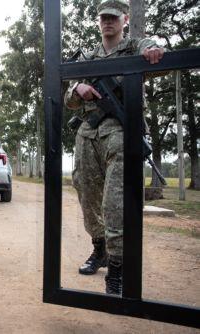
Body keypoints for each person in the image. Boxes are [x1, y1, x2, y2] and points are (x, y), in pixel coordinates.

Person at [64, 0, 165, 294]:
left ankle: (117, 272)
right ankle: (100, 249)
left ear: (124, 20)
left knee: (114, 203)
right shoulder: (90, 56)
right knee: (84, 190)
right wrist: (77, 89)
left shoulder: (134, 47)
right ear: (99, 22)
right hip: (88, 131)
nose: (107, 22)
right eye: (103, 18)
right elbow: (70, 99)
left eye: (113, 18)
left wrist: (154, 49)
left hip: (121, 131)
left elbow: (153, 50)